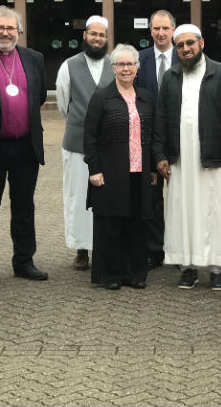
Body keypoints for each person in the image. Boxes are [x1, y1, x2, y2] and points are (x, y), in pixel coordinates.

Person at [154, 24, 221, 291]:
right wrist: (159, 155)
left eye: (190, 43)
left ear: (201, 43)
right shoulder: (170, 77)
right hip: (179, 160)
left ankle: (217, 268)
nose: (185, 49)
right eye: (180, 45)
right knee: (182, 210)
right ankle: (188, 267)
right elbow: (160, 119)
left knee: (215, 210)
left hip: (213, 158)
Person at [0, 6, 48, 283]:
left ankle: (24, 260)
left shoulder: (34, 58)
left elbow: (37, 97)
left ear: (19, 31)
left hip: (26, 146)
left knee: (24, 205)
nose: (5, 33)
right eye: (0, 28)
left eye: (10, 28)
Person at [83, 44, 155, 289]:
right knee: (111, 226)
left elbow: (153, 135)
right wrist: (94, 169)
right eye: (121, 64)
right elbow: (89, 136)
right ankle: (111, 275)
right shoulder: (102, 97)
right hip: (110, 173)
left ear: (137, 67)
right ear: (113, 68)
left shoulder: (146, 97)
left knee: (136, 224)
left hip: (140, 173)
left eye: (130, 64)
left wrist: (154, 168)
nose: (126, 69)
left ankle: (135, 274)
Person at [56, 15, 114, 270]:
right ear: (85, 36)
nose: (98, 39)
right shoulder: (69, 65)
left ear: (106, 39)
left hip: (110, 145)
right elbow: (63, 104)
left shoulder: (116, 64)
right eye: (93, 34)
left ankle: (105, 245)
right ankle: (81, 249)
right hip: (77, 143)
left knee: (108, 196)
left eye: (102, 35)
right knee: (79, 197)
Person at [134, 10, 177, 270]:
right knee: (151, 198)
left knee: (181, 197)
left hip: (179, 140)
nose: (161, 33)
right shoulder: (139, 60)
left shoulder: (186, 58)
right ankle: (154, 250)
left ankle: (178, 247)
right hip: (147, 141)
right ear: (150, 31)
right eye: (156, 29)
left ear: (174, 30)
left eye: (165, 28)